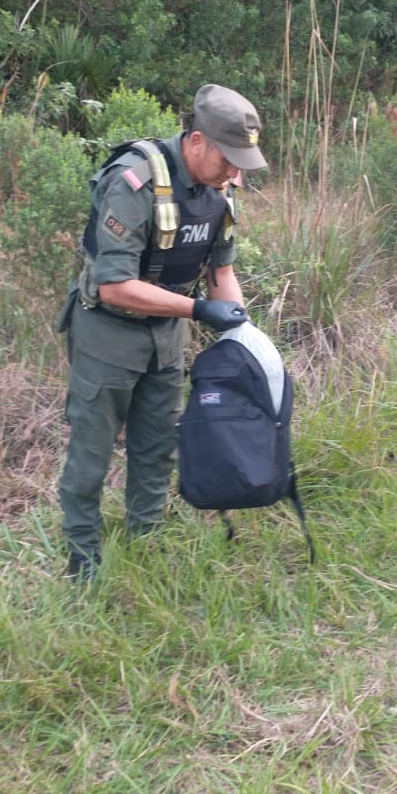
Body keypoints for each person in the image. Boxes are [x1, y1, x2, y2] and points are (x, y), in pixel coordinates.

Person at [54, 84, 265, 582]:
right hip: (108, 337)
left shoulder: (220, 193)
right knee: (91, 453)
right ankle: (82, 554)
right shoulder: (135, 182)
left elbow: (221, 274)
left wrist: (242, 335)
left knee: (156, 448)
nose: (234, 174)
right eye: (228, 160)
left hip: (166, 339)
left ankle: (145, 538)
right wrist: (198, 310)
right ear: (197, 141)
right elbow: (115, 286)